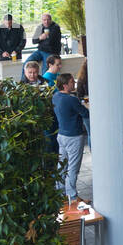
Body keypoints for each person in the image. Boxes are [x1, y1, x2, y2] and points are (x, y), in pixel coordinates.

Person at [52, 73, 90, 203]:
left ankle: (60, 192)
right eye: (71, 82)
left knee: (61, 165)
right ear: (65, 85)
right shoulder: (71, 100)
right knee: (73, 167)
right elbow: (85, 113)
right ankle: (72, 196)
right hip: (74, 136)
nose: (73, 84)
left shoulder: (55, 97)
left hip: (61, 135)